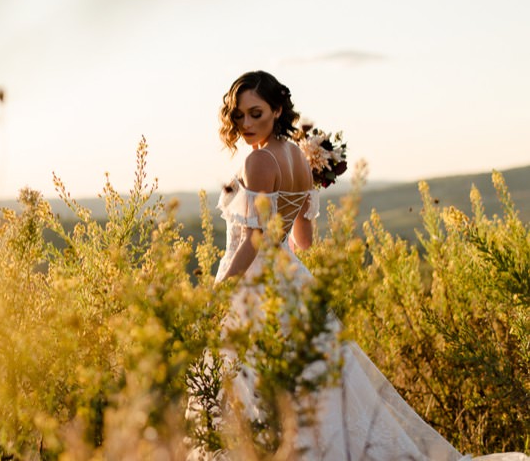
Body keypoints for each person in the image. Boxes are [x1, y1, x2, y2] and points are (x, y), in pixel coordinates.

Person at [189, 70, 527, 461]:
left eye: (255, 113)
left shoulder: (260, 161)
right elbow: (303, 240)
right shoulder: (298, 157)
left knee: (252, 388)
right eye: (238, 116)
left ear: (277, 109)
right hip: (292, 281)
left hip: (257, 287)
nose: (245, 124)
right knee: (315, 391)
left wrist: (222, 290)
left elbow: (255, 240)